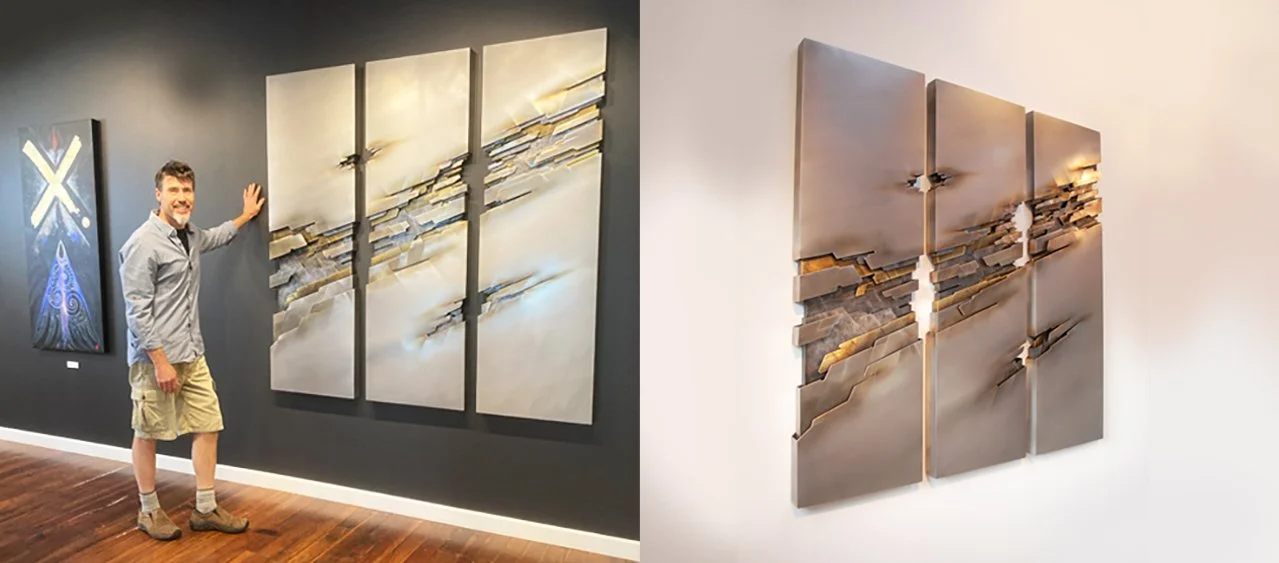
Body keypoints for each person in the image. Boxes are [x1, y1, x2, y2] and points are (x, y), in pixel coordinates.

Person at [118, 160, 264, 541]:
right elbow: (137, 311)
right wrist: (160, 361)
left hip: (192, 352)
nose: (181, 198)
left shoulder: (191, 235)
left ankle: (205, 508)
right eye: (174, 191)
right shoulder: (141, 244)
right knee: (147, 431)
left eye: (187, 191)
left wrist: (245, 216)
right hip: (156, 361)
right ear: (158, 195)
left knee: (207, 425)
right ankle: (148, 511)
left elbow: (216, 236)